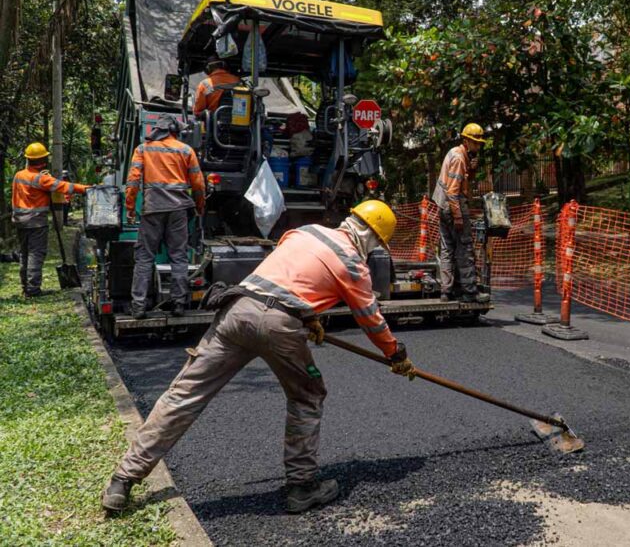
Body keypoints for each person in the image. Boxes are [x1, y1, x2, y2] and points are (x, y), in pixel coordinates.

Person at [101, 200, 415, 514]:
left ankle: (122, 479)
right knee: (307, 396)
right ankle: (302, 487)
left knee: (184, 394)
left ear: (351, 219)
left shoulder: (305, 232)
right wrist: (395, 354)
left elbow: (287, 273)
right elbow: (371, 320)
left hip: (237, 310)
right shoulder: (353, 265)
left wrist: (309, 317)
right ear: (373, 239)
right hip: (280, 326)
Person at [125, 114, 205, 319]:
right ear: (174, 131)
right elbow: (198, 184)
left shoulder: (143, 149)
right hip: (178, 210)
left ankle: (139, 307)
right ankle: (179, 304)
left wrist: (130, 207)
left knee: (144, 258)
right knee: (178, 257)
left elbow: (133, 180)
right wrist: (199, 207)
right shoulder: (186, 150)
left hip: (152, 210)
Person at [11, 142, 90, 297]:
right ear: (43, 161)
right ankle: (33, 289)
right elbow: (65, 187)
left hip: (20, 221)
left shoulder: (19, 175)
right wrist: (88, 189)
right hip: (36, 222)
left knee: (24, 253)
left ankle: (25, 286)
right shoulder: (41, 179)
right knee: (36, 253)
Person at [432, 123, 489, 303]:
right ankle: (470, 292)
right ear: (466, 141)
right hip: (453, 205)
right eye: (475, 142)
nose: (478, 146)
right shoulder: (458, 158)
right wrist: (457, 215)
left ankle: (446, 291)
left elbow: (464, 181)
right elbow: (453, 191)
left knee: (447, 248)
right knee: (465, 248)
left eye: (479, 143)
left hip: (443, 206)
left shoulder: (456, 153)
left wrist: (472, 169)